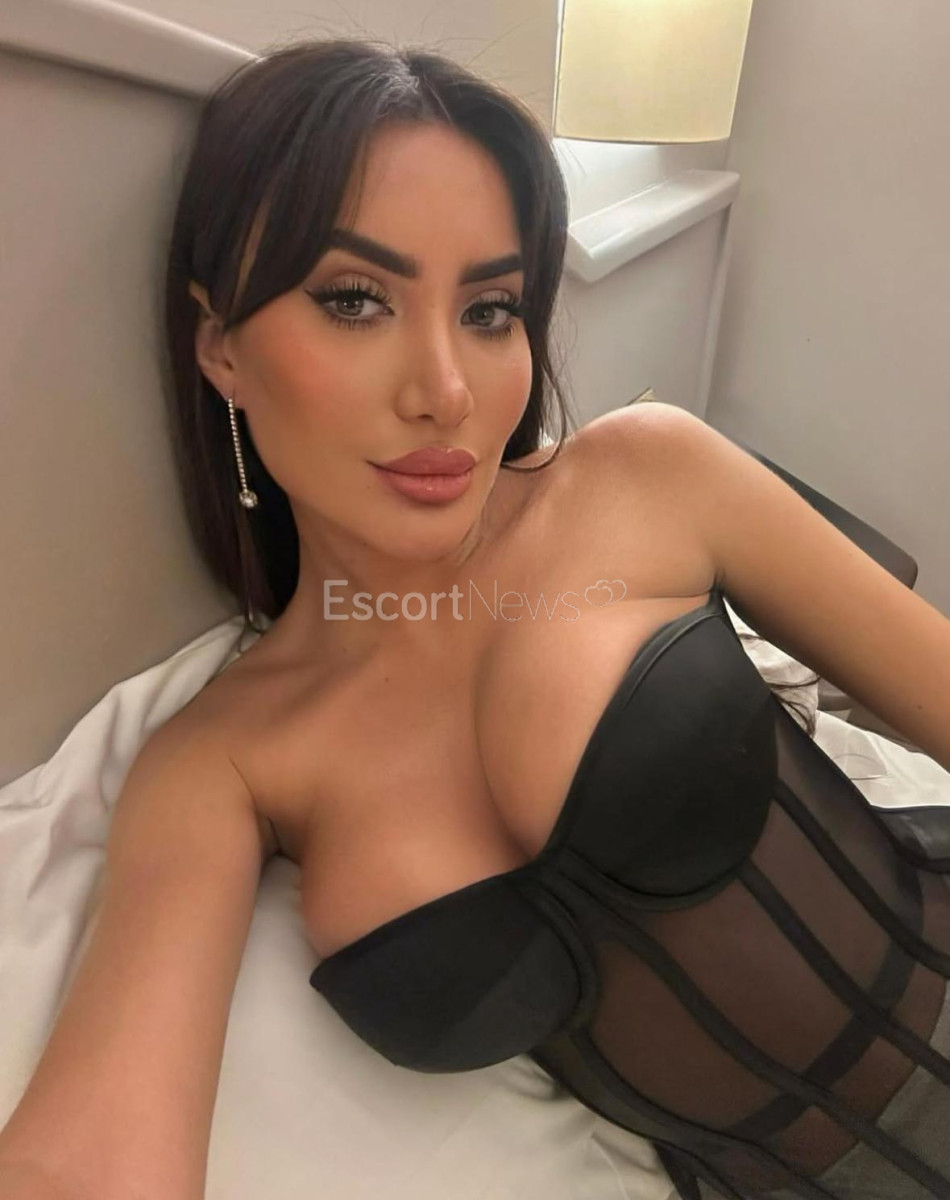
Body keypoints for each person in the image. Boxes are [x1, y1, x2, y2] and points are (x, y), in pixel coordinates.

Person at [3, 36, 950, 1200]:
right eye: (355, 301)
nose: (445, 391)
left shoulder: (645, 477)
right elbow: (91, 1156)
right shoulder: (217, 762)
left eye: (491, 310)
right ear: (221, 348)